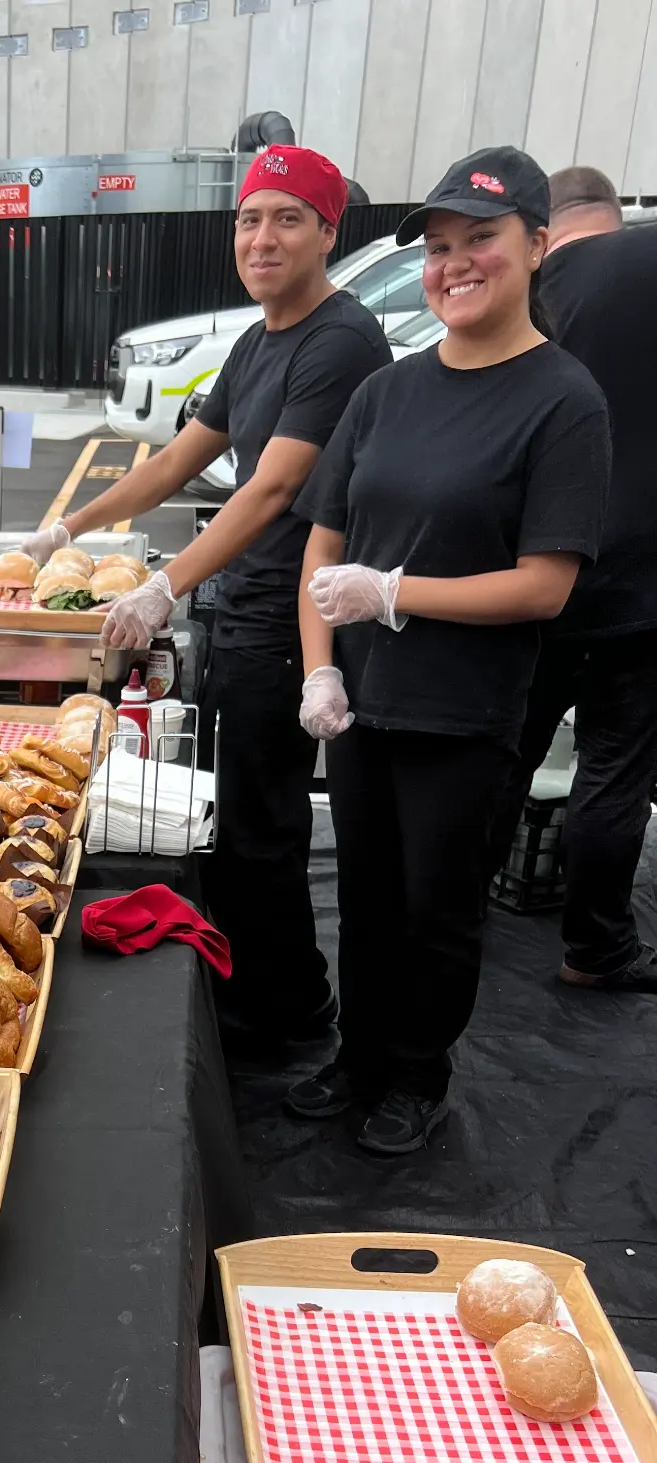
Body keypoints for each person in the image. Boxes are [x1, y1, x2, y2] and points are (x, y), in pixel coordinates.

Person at [19, 146, 391, 1049]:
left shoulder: (339, 340)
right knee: (237, 823)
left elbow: (269, 491)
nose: (262, 238)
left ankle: (292, 1015)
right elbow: (182, 458)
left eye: (287, 218)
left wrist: (162, 586)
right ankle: (249, 990)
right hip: (240, 609)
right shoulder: (260, 340)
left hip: (289, 622)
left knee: (264, 829)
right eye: (249, 219)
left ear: (327, 233)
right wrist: (66, 530)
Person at [290, 147, 611, 1155]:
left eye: (480, 240)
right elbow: (323, 542)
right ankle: (358, 1056)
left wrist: (392, 595)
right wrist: (321, 668)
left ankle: (415, 1075)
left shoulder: (562, 400)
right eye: (437, 247)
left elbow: (543, 584)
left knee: (437, 909)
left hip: (462, 714)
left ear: (536, 246)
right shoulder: (387, 391)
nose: (454, 263)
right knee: (369, 899)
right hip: (362, 707)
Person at [487, 166, 657, 991]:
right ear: (613, 217)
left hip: (537, 562)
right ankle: (596, 947)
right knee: (614, 766)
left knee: (506, 750)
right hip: (643, 582)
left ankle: (455, 908)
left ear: (550, 225)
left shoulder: (530, 280)